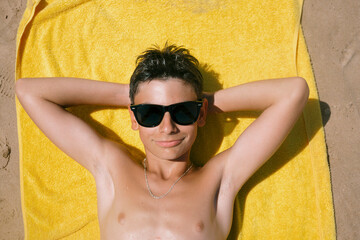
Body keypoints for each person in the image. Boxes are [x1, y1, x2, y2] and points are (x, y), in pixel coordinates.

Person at [16, 44, 309, 240]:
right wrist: (132, 96)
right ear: (133, 118)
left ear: (201, 114)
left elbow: (293, 93)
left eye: (182, 112)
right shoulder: (112, 166)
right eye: (150, 114)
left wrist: (199, 100)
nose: (167, 127)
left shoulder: (220, 178)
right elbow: (29, 91)